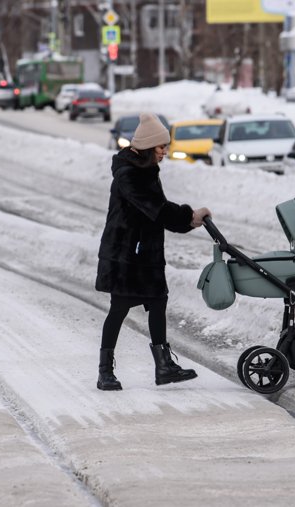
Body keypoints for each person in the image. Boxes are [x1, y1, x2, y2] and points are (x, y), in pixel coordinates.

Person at [95, 113, 212, 390]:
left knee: (158, 302)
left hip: (144, 253)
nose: (165, 152)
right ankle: (105, 372)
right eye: (161, 147)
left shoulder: (144, 169)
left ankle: (163, 366)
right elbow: (156, 208)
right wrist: (190, 217)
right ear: (148, 145)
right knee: (119, 309)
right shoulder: (129, 174)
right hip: (126, 255)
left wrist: (188, 219)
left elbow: (157, 208)